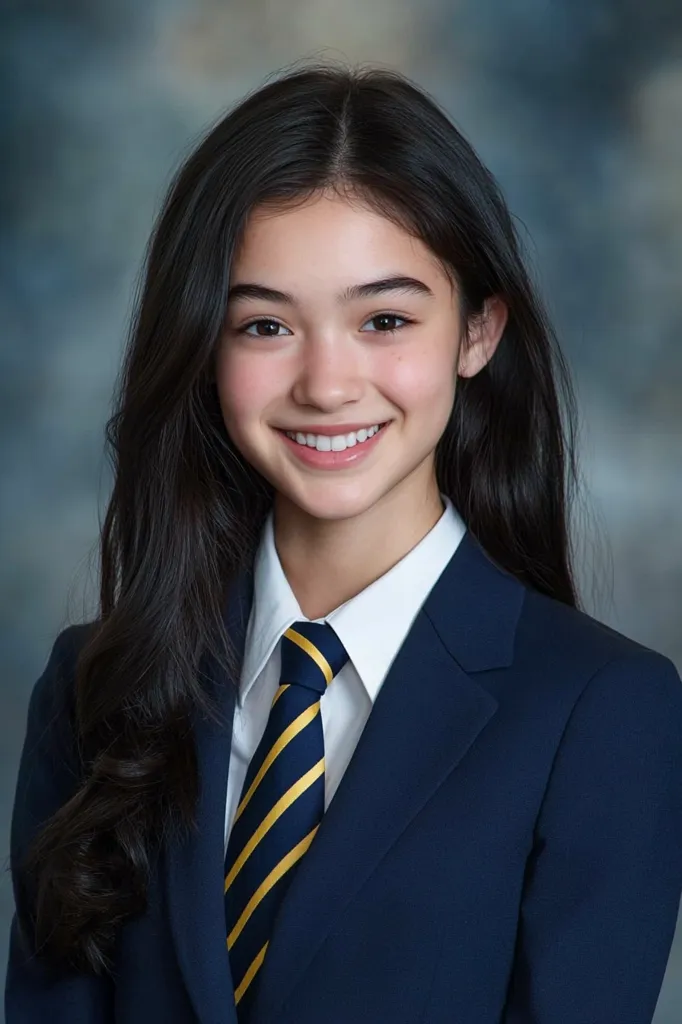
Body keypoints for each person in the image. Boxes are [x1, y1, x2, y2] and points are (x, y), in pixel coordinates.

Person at [5, 60, 682, 1024]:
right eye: (266, 324)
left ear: (478, 332)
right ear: (204, 345)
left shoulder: (602, 712)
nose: (326, 384)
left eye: (386, 319)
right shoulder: (94, 692)